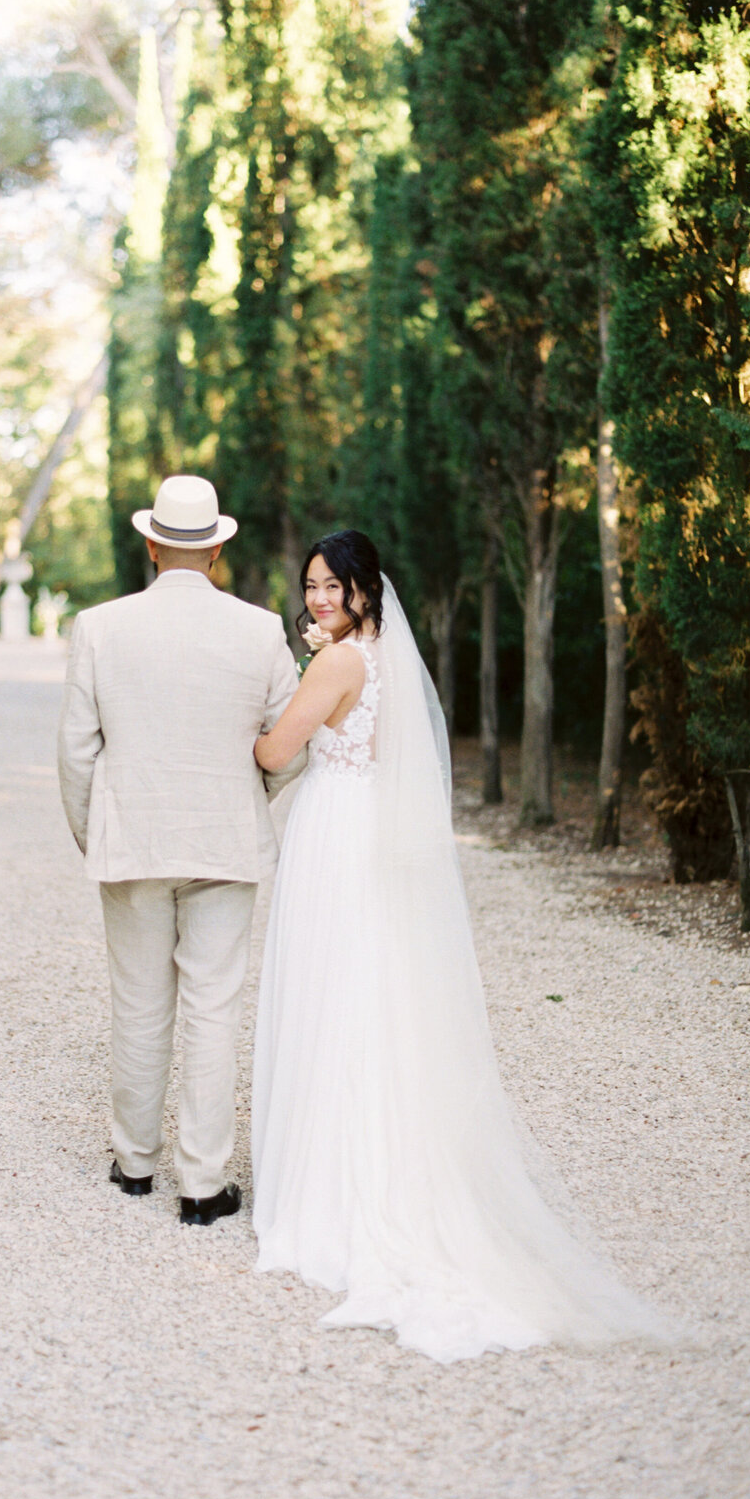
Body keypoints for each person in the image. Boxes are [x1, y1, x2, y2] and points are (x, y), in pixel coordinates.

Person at [252, 529, 670, 1360]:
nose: (319, 598)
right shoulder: (385, 658)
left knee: (332, 994)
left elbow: (274, 748)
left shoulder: (335, 663)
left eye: (333, 586)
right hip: (369, 831)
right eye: (311, 586)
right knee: (369, 996)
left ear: (365, 588)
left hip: (336, 836)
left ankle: (332, 1195)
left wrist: (291, 679)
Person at [58, 475, 306, 1226]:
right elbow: (288, 745)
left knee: (137, 1005)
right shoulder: (260, 631)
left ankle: (135, 1163)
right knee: (213, 1008)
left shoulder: (98, 627)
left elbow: (75, 752)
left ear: (151, 542)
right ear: (219, 550)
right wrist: (245, 799)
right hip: (224, 842)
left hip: (133, 841)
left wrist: (93, 830)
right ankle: (202, 1183)